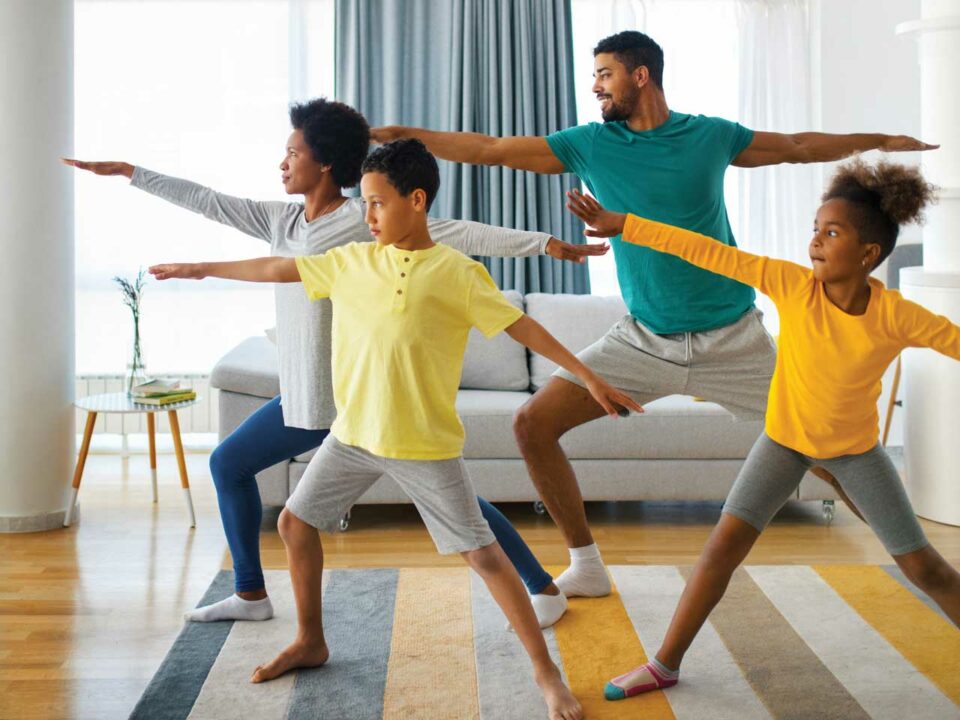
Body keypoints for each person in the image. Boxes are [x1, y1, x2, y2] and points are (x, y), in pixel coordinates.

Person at [373, 30, 939, 598]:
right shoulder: (589, 143)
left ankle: (923, 568)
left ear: (640, 75)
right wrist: (407, 136)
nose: (594, 85)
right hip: (643, 340)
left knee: (830, 455)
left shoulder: (708, 136)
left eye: (604, 73)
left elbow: (794, 144)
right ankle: (586, 563)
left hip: (735, 341)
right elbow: (490, 149)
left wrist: (880, 140)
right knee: (532, 423)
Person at [150, 139, 646, 719]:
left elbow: (523, 331)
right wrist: (199, 269)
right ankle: (311, 639)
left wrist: (587, 377)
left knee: (485, 558)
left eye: (378, 204)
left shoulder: (458, 273)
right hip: (353, 434)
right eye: (364, 203)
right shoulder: (353, 261)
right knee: (294, 522)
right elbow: (276, 266)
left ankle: (547, 673)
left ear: (416, 200)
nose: (368, 217)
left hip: (421, 446)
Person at [63, 98, 605, 626]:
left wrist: (545, 244)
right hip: (304, 391)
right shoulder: (280, 221)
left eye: (293, 153)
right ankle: (540, 586)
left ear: (324, 162)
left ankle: (252, 592)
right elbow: (206, 199)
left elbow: (457, 231)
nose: (283, 163)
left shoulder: (364, 219)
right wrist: (132, 173)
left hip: (337, 397)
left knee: (232, 465)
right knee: (452, 497)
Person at [564, 159, 960, 702]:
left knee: (923, 565)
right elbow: (708, 251)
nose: (815, 242)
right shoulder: (795, 286)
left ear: (868, 254)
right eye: (815, 229)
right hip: (782, 443)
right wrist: (626, 224)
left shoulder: (895, 315)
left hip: (855, 455)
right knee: (721, 548)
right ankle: (664, 664)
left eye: (832, 232)